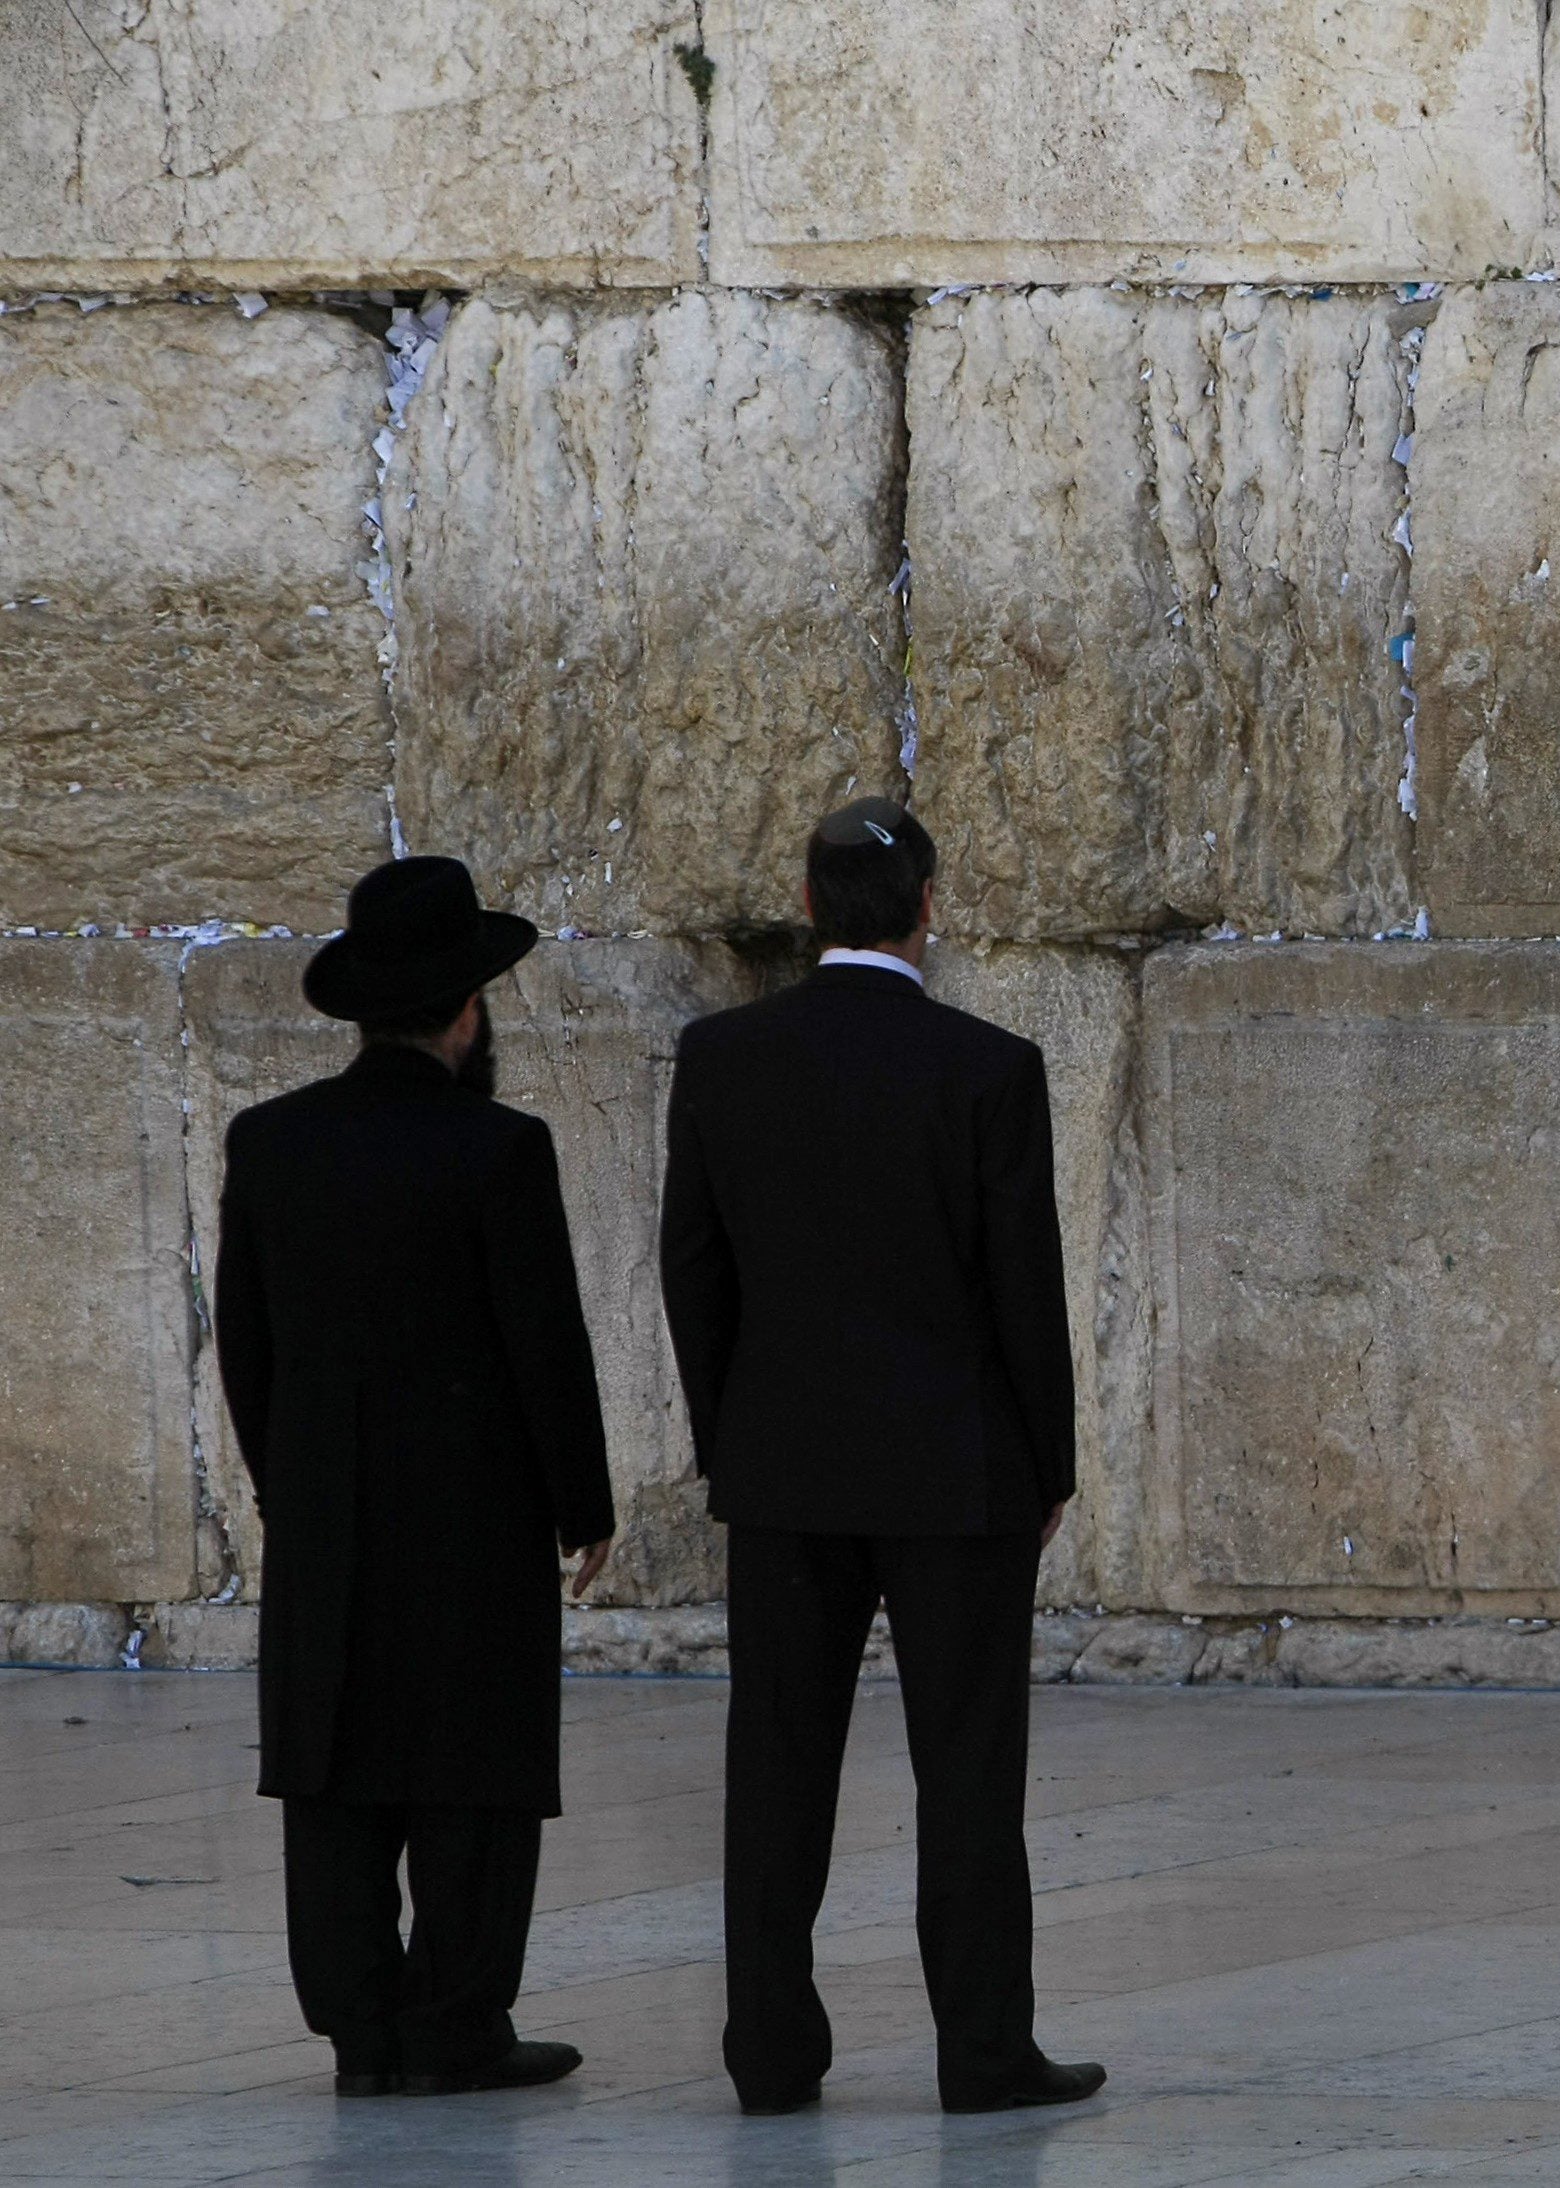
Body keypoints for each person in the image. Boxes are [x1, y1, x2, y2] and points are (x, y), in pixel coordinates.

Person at [658, 797, 1103, 2117]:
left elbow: (695, 1265)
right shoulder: (986, 1067)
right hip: (955, 1470)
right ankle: (983, 2051)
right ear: (926, 909)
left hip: (785, 1467)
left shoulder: (723, 1056)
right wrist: (1048, 1464)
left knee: (776, 1764)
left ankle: (772, 2057)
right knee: (968, 1765)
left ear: (807, 908)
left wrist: (728, 1433)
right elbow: (1025, 1287)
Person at [212, 856, 617, 2095]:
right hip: (474, 1514)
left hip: (327, 1506)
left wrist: (287, 1479)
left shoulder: (271, 1143)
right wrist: (582, 1503)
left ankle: (360, 2026)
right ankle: (455, 2022)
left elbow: (245, 1339)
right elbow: (542, 1339)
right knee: (471, 1771)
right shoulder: (499, 1150)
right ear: (466, 1010)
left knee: (334, 1768)